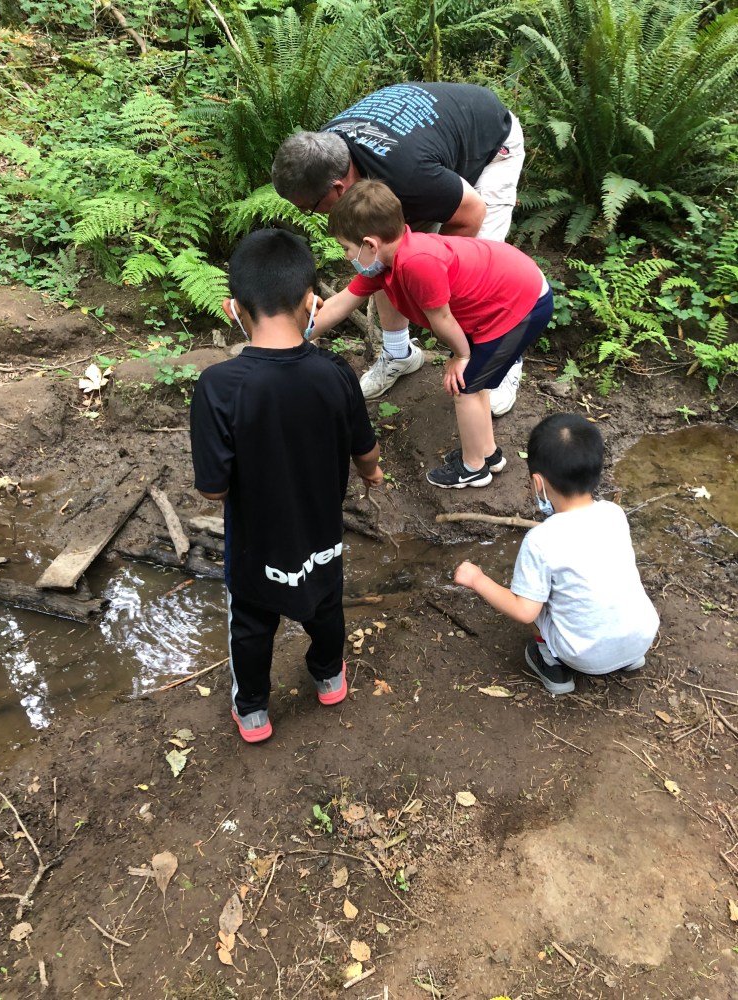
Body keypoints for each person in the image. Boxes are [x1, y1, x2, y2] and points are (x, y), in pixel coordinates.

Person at [190, 230, 382, 744]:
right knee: (326, 604)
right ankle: (329, 677)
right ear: (312, 303)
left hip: (256, 546)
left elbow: (213, 490)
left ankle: (253, 710)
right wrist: (372, 475)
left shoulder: (218, 387)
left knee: (251, 624)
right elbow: (365, 450)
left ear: (233, 309)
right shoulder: (336, 373)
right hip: (322, 538)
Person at [272, 82, 526, 410]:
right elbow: (348, 296)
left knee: (474, 272)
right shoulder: (326, 152)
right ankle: (398, 353)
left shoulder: (408, 174)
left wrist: (431, 268)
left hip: (489, 141)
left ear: (338, 188)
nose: (312, 215)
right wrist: (278, 339)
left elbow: (472, 212)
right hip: (428, 152)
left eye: (310, 208)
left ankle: (504, 359)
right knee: (384, 257)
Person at [310, 180, 553, 490]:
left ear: (370, 244)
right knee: (474, 383)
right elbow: (340, 303)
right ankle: (488, 454)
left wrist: (461, 356)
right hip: (502, 301)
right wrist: (295, 335)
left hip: (520, 305)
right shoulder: (386, 263)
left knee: (464, 387)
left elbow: (443, 319)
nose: (347, 257)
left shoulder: (417, 263)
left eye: (347, 248)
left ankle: (473, 468)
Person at [453, 413, 660, 695]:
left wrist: (477, 579)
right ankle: (627, 657)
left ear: (538, 483)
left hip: (585, 656)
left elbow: (524, 611)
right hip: (642, 637)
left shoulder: (541, 540)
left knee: (534, 597)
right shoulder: (614, 513)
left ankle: (552, 665)